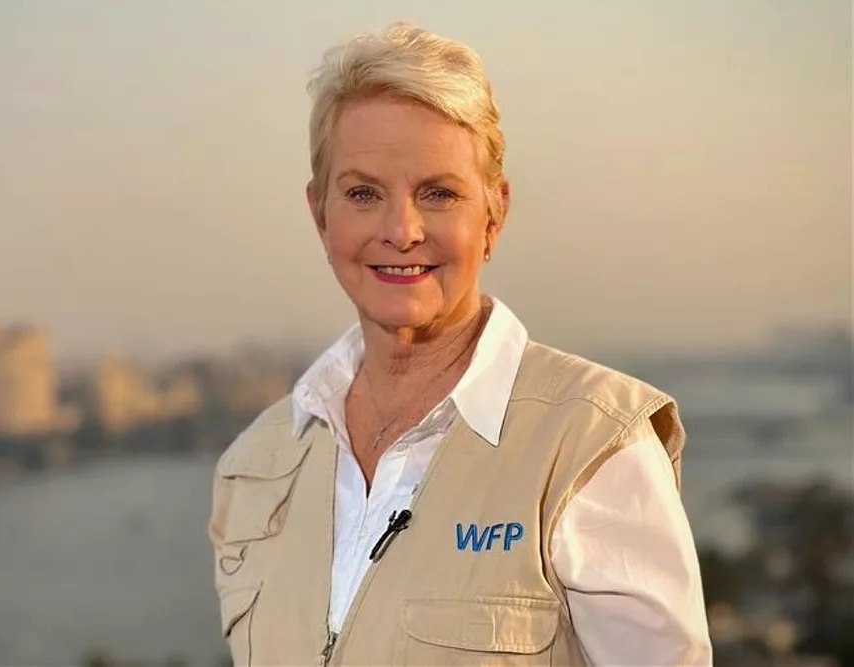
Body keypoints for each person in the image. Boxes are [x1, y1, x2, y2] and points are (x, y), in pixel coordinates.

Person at [209, 22, 712, 666]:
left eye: (439, 194)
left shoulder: (591, 448)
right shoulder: (256, 467)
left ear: (494, 215)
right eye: (363, 193)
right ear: (320, 215)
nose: (401, 230)